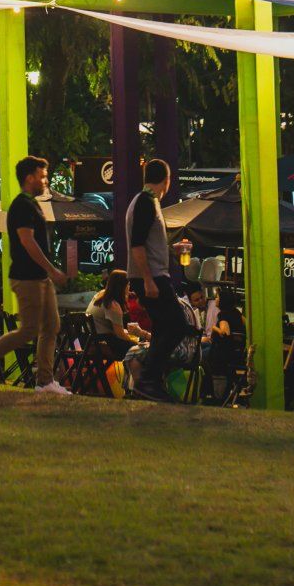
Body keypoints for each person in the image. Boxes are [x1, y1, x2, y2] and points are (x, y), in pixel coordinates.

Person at [0, 155, 68, 394]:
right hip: (27, 277)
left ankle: (45, 381)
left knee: (51, 326)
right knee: (29, 330)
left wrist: (48, 272)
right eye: (42, 176)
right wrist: (51, 269)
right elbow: (27, 241)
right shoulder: (22, 205)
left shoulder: (32, 204)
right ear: (29, 178)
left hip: (40, 277)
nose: (46, 180)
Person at [124, 159, 187, 403]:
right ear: (166, 180)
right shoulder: (145, 202)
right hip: (152, 277)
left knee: (162, 329)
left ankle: (151, 382)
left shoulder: (145, 202)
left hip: (150, 275)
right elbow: (137, 245)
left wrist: (171, 250)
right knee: (177, 326)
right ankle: (148, 378)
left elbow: (146, 244)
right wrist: (148, 280)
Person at [86, 269, 148, 354]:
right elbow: (120, 334)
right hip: (104, 343)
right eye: (128, 284)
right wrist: (135, 342)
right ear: (123, 286)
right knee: (142, 348)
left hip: (90, 340)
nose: (129, 287)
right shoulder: (112, 305)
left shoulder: (100, 295)